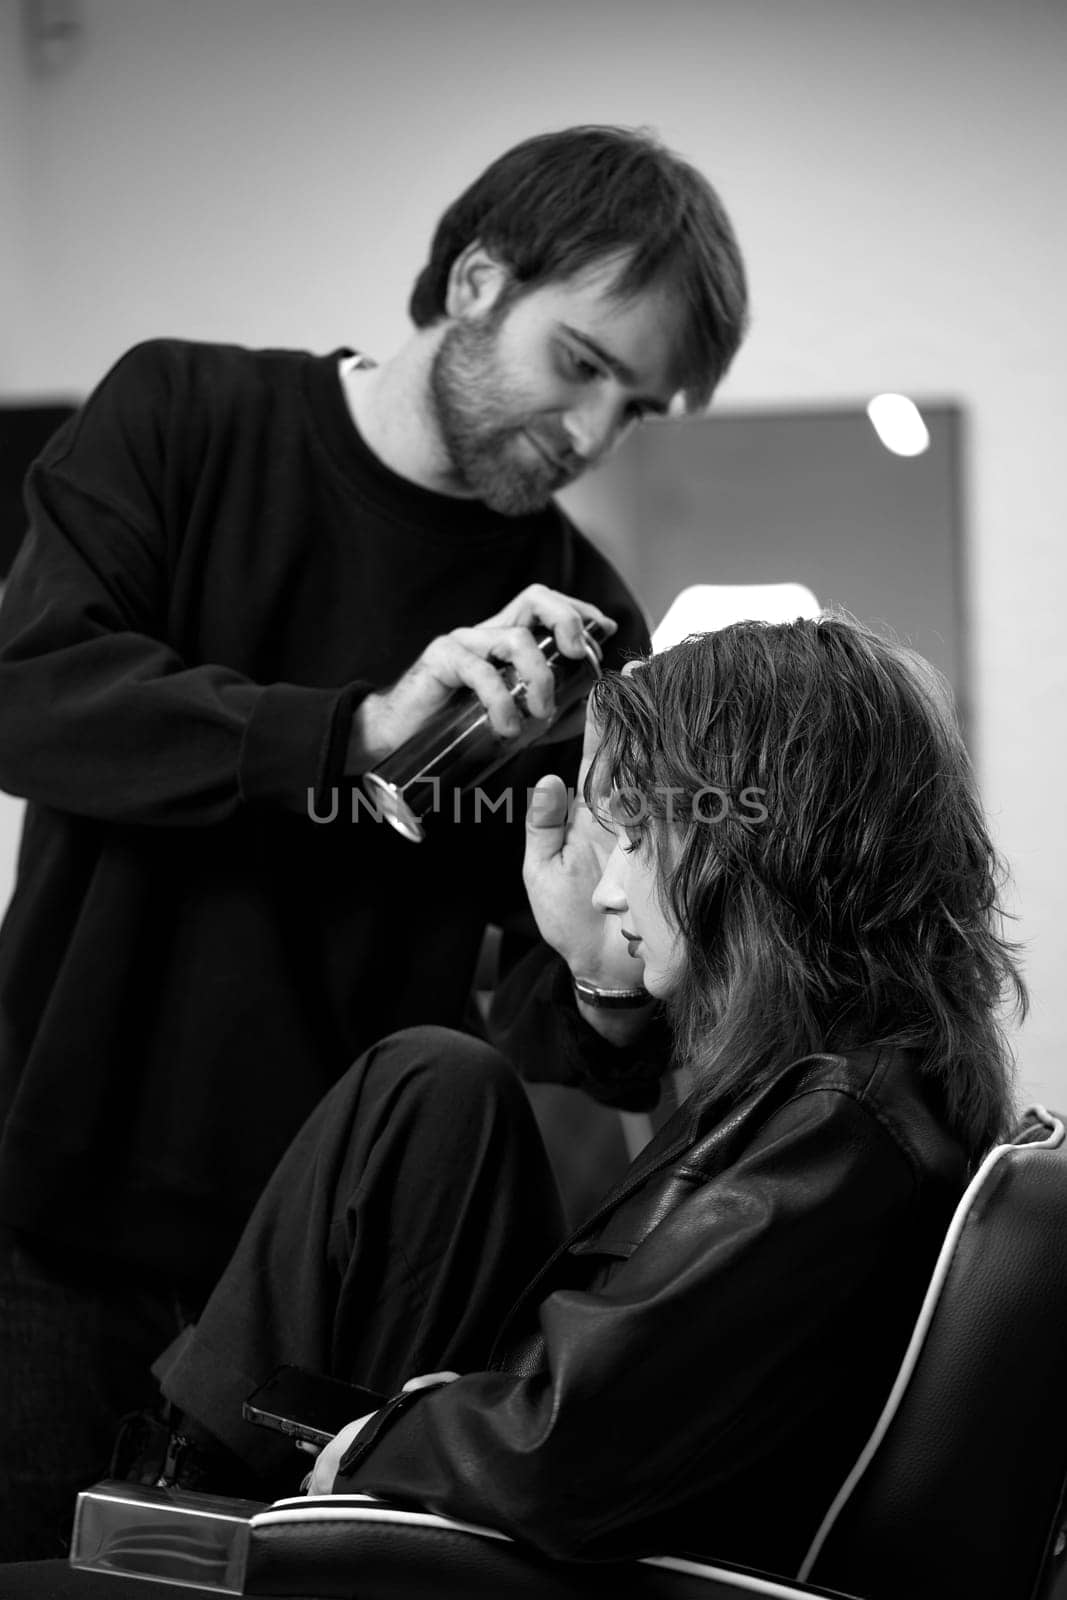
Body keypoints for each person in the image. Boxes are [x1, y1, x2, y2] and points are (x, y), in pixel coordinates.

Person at [0, 124, 749, 1557]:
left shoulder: (576, 624)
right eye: (581, 365)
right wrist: (351, 735)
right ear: (473, 281)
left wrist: (598, 971)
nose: (592, 435)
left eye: (635, 408)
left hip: (323, 1282)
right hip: (50, 1220)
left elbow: (567, 1023)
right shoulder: (182, 416)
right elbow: (28, 692)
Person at [123, 616, 1024, 1578]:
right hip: (563, 1518)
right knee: (432, 1085)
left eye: (634, 836)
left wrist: (396, 1431)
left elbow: (555, 1450)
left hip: (560, 1563)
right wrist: (605, 974)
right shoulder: (847, 1085)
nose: (603, 888)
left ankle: (166, 1525)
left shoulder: (839, 1129)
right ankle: (177, 1504)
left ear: (756, 850)